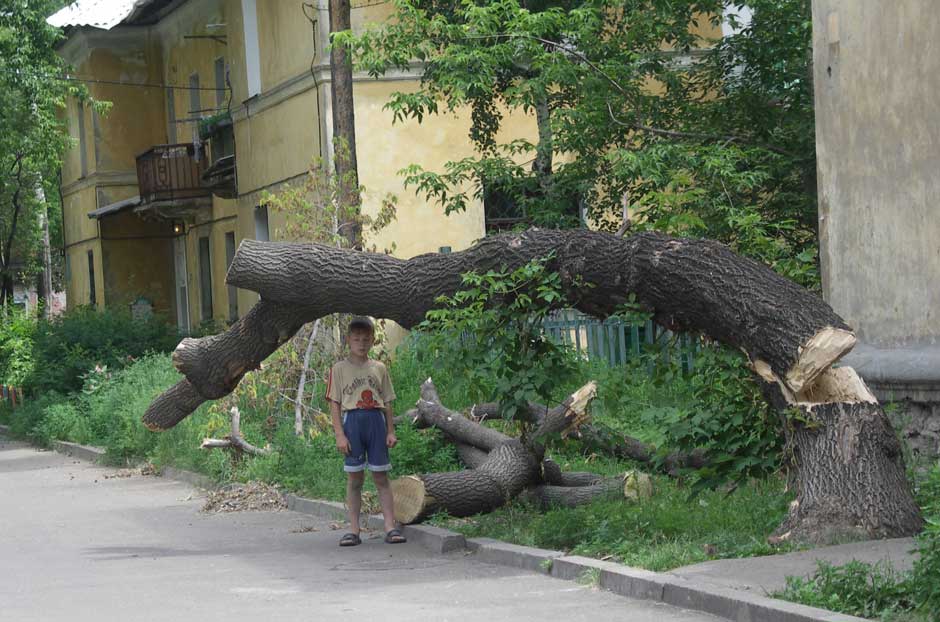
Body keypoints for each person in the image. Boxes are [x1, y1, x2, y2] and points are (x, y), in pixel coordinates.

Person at [326, 315, 406, 546]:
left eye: (366, 339)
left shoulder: (379, 368)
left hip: (375, 422)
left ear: (372, 341)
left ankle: (390, 526)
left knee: (381, 476)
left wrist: (390, 431)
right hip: (352, 423)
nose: (361, 343)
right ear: (348, 340)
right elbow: (334, 403)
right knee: (355, 478)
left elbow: (388, 401)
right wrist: (339, 434)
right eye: (356, 339)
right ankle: (353, 529)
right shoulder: (339, 369)